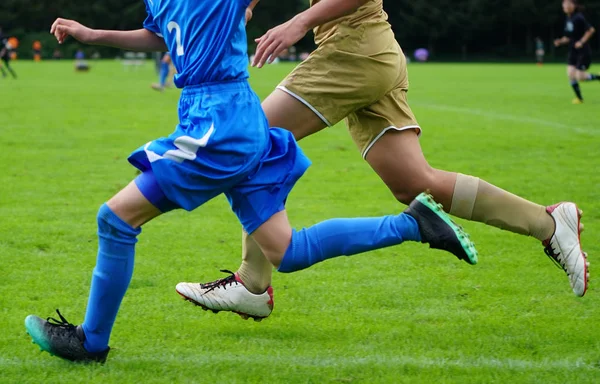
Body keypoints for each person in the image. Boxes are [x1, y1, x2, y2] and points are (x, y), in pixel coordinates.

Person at [24, 0, 478, 363]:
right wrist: (92, 34)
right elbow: (160, 34)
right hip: (236, 124)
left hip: (218, 124)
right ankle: (414, 224)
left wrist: (299, 22)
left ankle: (91, 342)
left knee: (116, 218)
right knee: (288, 251)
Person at [176, 0, 590, 321]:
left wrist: (298, 22)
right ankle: (549, 223)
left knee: (251, 141)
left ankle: (252, 283)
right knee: (414, 183)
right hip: (373, 51)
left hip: (353, 52)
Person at [554, 0, 600, 104]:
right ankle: (579, 98)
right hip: (573, 51)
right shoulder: (568, 18)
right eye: (563, 4)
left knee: (580, 77)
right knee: (570, 74)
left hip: (583, 51)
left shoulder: (579, 17)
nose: (564, 6)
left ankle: (598, 77)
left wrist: (581, 42)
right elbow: (569, 37)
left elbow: (591, 30)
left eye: (567, 4)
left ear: (573, 5)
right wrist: (560, 41)